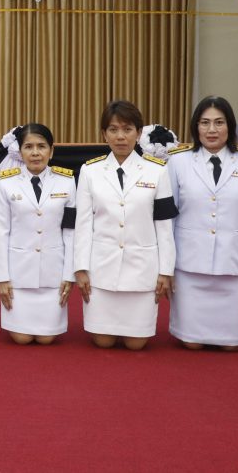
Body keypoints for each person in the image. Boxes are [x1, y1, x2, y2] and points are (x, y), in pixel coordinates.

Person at [167, 96, 238, 350]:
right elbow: (167, 218)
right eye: (204, 123)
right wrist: (166, 267)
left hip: (235, 265)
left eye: (219, 122)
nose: (212, 130)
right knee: (191, 344)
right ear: (195, 127)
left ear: (230, 126)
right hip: (189, 266)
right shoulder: (178, 162)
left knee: (233, 346)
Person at [74, 100, 178, 350]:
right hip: (102, 267)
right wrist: (80, 268)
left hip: (142, 269)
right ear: (104, 134)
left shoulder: (158, 172)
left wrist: (166, 271)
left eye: (127, 129)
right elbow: (83, 224)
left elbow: (165, 226)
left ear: (139, 133)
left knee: (136, 344)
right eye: (113, 129)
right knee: (103, 341)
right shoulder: (90, 171)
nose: (120, 136)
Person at [0, 123, 77, 345]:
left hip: (53, 273)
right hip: (18, 274)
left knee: (47, 339)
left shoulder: (67, 182)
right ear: (20, 152)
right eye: (28, 146)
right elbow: (0, 232)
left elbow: (70, 232)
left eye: (42, 146)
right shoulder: (5, 183)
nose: (36, 152)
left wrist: (69, 275)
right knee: (21, 338)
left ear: (52, 150)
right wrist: (1, 277)